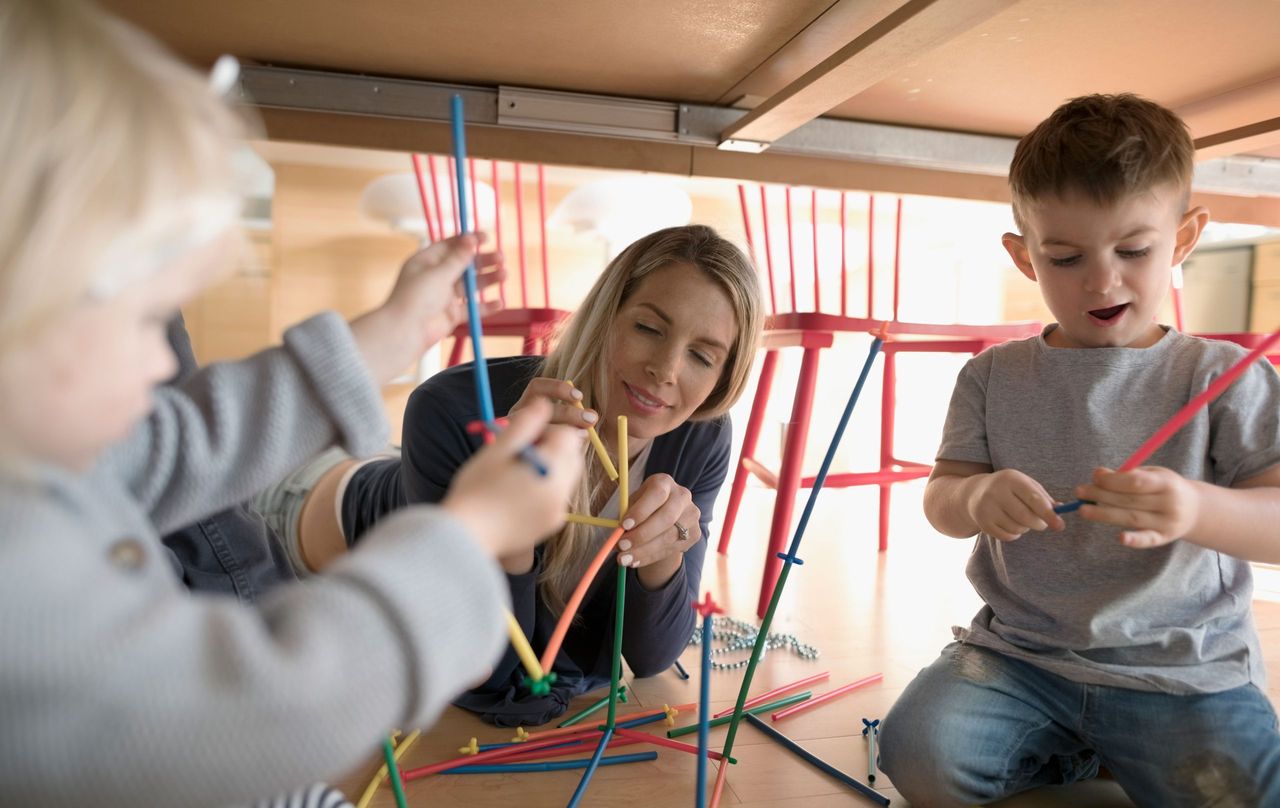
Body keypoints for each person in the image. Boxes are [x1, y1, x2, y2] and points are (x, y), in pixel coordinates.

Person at [0, 3, 583, 806]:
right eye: (143, 318)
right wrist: (471, 534)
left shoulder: (34, 452)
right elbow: (253, 712)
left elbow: (183, 441)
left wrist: (389, 333)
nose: (167, 358)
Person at [877, 93, 1280, 808]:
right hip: (1020, 661)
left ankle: (1103, 752)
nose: (1101, 280)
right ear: (1023, 256)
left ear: (1184, 239)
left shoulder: (1218, 377)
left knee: (1247, 796)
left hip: (1182, 675)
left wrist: (1196, 508)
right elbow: (941, 499)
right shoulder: (993, 374)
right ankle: (1080, 753)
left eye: (1134, 249)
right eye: (1065, 256)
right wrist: (974, 497)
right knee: (917, 754)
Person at [262, 225, 765, 725]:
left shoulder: (700, 436)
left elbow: (651, 659)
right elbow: (488, 669)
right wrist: (509, 528)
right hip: (302, 500)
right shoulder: (451, 408)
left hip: (400, 470)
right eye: (649, 329)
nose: (667, 368)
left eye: (702, 356)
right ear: (607, 316)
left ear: (725, 376)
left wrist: (666, 559)